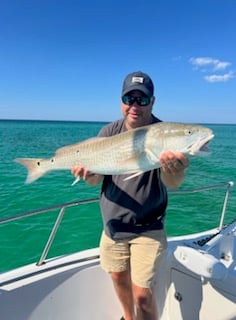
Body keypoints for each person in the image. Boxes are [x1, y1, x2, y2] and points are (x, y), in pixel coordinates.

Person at [72, 71, 189, 320]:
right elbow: (96, 180)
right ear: (121, 100)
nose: (134, 106)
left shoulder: (162, 133)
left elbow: (172, 183)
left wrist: (174, 170)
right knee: (118, 278)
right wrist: (86, 174)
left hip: (148, 226)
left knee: (144, 297)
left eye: (142, 100)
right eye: (129, 99)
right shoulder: (109, 131)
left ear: (152, 102)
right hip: (113, 225)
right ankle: (128, 318)